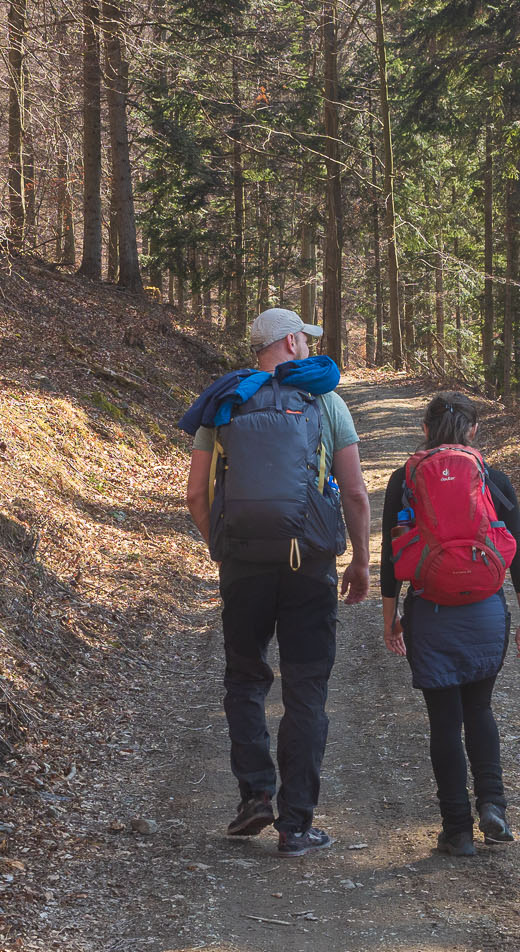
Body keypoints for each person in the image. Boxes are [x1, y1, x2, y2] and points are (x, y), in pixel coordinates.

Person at [181, 308, 373, 857]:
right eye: (305, 340)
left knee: (245, 679)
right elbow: (356, 493)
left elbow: (196, 495)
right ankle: (296, 826)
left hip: (243, 565)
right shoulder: (325, 401)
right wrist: (361, 560)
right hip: (309, 563)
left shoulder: (223, 401)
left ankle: (255, 797)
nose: (310, 348)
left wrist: (224, 547)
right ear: (292, 341)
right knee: (305, 690)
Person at [380, 393, 520, 858]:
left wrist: (391, 620)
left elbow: (392, 562)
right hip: (486, 611)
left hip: (431, 613)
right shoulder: (492, 478)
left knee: (444, 724)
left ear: (426, 429)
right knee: (480, 711)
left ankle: (457, 829)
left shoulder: (404, 479)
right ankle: (493, 806)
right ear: (473, 432)